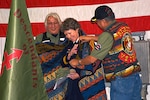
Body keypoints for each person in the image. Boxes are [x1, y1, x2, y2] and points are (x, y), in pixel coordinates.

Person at [69, 5, 142, 100]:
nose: (98, 25)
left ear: (103, 21)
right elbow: (112, 39)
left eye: (98, 22)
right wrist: (91, 38)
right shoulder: (123, 27)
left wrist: (78, 62)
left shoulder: (106, 35)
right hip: (134, 75)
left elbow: (92, 59)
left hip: (121, 79)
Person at [61, 18, 107, 100]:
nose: (68, 36)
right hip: (72, 82)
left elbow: (95, 63)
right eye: (66, 34)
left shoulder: (89, 42)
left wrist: (79, 75)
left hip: (87, 81)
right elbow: (62, 62)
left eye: (70, 33)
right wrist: (69, 55)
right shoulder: (68, 44)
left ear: (77, 30)